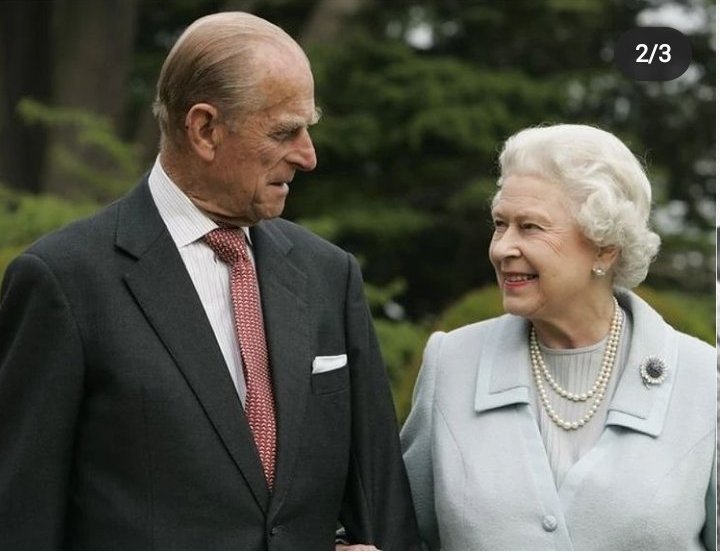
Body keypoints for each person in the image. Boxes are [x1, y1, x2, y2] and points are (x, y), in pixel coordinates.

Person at [0, 12, 419, 550]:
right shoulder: (63, 281)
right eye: (285, 131)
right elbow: (19, 523)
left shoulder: (329, 276)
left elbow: (384, 510)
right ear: (204, 129)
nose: (308, 156)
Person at [401, 124, 716, 550]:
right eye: (500, 224)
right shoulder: (452, 364)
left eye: (530, 227)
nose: (502, 248)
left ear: (605, 247)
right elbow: (399, 533)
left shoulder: (704, 380)